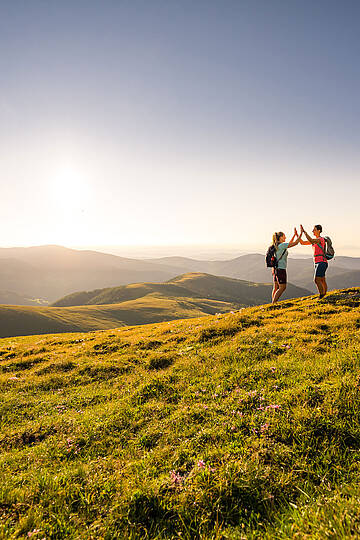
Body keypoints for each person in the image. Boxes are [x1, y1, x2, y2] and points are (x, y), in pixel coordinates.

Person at [272, 228, 301, 303]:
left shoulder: (277, 245)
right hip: (281, 269)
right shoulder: (282, 245)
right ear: (281, 237)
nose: (285, 237)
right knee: (282, 287)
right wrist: (301, 233)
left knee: (276, 287)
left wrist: (294, 235)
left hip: (275, 269)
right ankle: (273, 303)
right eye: (284, 236)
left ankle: (272, 303)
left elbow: (289, 244)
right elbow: (295, 243)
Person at [299, 224, 328, 299]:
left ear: (319, 231)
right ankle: (324, 294)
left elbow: (311, 240)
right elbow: (302, 242)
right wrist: (298, 235)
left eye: (314, 229)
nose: (312, 231)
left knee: (316, 279)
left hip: (321, 262)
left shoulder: (320, 239)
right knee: (322, 279)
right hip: (318, 262)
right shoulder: (315, 241)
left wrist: (304, 232)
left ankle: (322, 296)